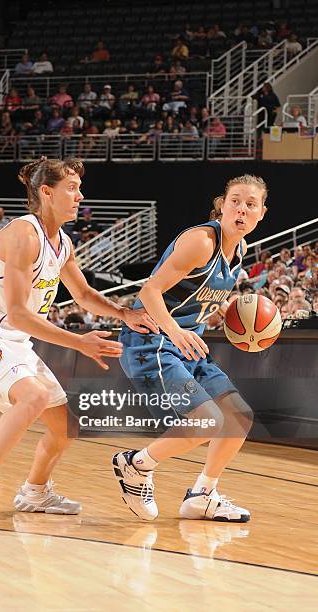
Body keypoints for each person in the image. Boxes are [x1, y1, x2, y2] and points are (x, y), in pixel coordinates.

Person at [0, 157, 157, 520]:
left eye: (78, 188)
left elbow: (85, 294)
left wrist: (125, 314)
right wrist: (80, 342)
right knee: (34, 396)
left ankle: (34, 493)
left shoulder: (63, 244)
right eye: (71, 188)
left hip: (12, 341)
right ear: (46, 192)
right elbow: (17, 314)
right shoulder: (23, 235)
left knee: (65, 426)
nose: (80, 195)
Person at [113, 174, 268, 522]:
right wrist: (173, 330)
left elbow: (205, 295)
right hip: (150, 341)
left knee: (238, 417)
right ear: (222, 205)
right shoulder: (201, 241)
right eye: (235, 201)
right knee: (207, 422)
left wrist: (233, 313)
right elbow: (150, 291)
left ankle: (202, 495)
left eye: (250, 204)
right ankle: (135, 465)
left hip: (186, 343)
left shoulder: (239, 249)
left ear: (261, 213)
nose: (241, 209)